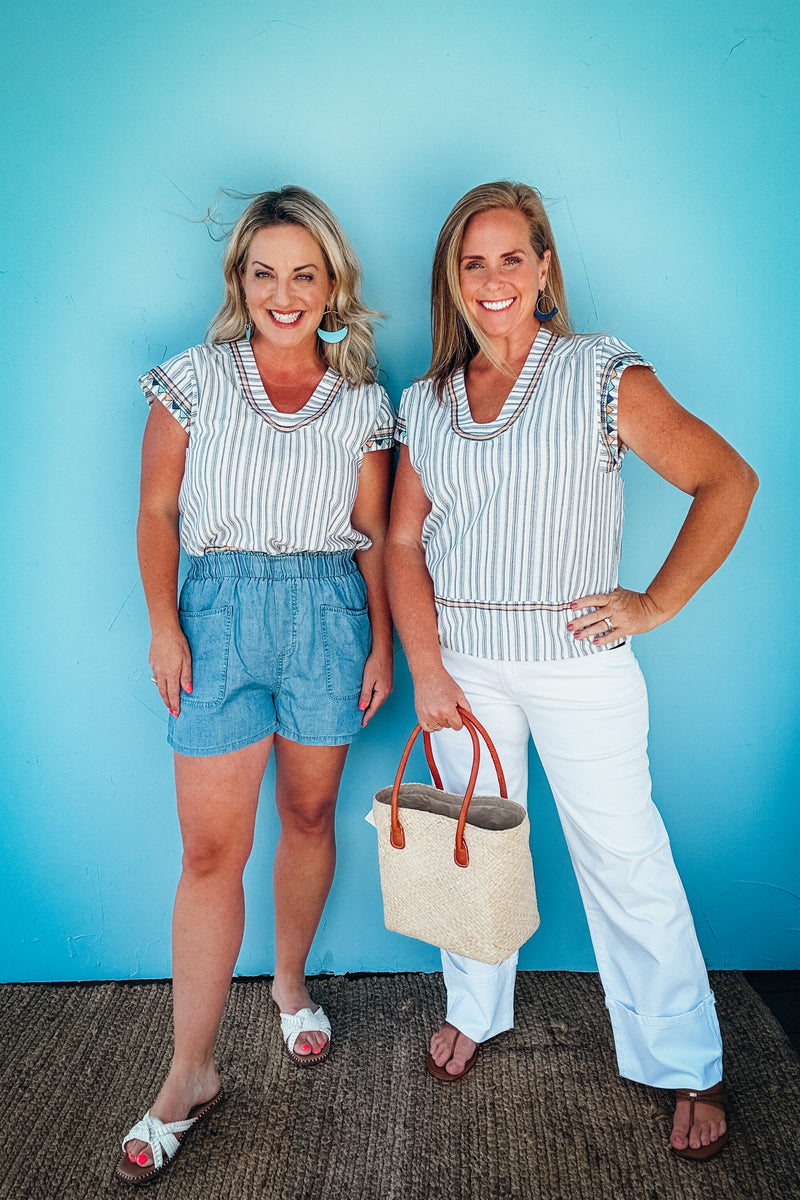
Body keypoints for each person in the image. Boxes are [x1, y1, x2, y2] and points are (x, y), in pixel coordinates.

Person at [385, 181, 757, 1160]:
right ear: (452, 280)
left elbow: (727, 480)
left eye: (511, 257)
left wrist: (654, 603)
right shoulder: (426, 401)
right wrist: (426, 668)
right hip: (463, 670)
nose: (492, 279)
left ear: (543, 267)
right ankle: (474, 1009)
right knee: (473, 849)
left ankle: (685, 1058)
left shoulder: (600, 373)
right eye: (473, 263)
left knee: (624, 858)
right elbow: (401, 544)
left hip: (579, 669)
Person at [117, 186, 393, 1183]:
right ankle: (190, 1072)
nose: (284, 293)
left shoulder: (362, 401)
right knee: (209, 851)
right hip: (218, 616)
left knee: (310, 815)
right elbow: (157, 512)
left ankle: (287, 985)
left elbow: (373, 538)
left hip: (328, 613)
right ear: (239, 278)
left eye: (304, 274)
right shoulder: (192, 379)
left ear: (332, 285)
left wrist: (381, 645)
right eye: (265, 272)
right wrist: (164, 625)